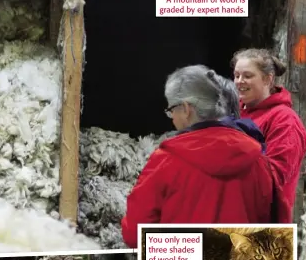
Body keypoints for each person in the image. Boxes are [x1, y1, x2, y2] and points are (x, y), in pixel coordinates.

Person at [120, 65, 284, 248]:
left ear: (186, 108)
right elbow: (271, 225)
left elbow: (135, 235)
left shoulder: (165, 161)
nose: (172, 117)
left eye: (172, 109)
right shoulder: (259, 160)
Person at [232, 48, 306, 221]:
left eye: (247, 76)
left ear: (268, 79)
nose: (239, 81)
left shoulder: (284, 121)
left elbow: (273, 179)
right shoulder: (234, 113)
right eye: (236, 75)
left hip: (264, 228)